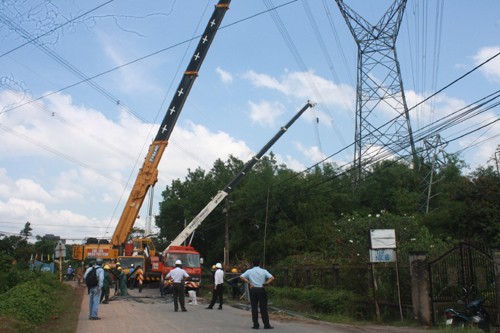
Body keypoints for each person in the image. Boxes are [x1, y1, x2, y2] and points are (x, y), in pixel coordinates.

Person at [240, 258, 275, 330]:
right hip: (261, 289)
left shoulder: (249, 271)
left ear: (252, 264)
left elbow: (241, 276)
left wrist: (249, 282)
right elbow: (272, 278)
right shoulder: (263, 271)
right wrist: (266, 283)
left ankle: (256, 324)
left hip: (253, 289)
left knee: (254, 307)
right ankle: (266, 324)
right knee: (263, 308)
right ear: (259, 264)